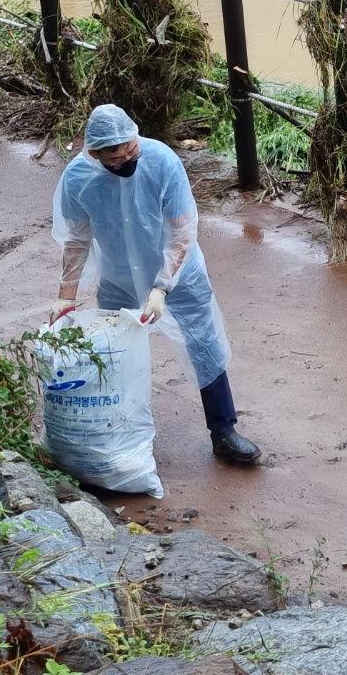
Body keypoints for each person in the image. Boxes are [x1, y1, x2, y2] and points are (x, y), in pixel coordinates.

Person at [51, 105, 261, 465]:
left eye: (130, 149)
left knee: (203, 345)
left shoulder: (162, 161)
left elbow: (182, 230)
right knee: (112, 354)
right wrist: (65, 297)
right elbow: (77, 240)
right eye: (114, 156)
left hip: (178, 275)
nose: (125, 158)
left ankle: (224, 431)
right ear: (94, 153)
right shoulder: (78, 179)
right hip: (118, 278)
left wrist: (162, 286)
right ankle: (112, 433)